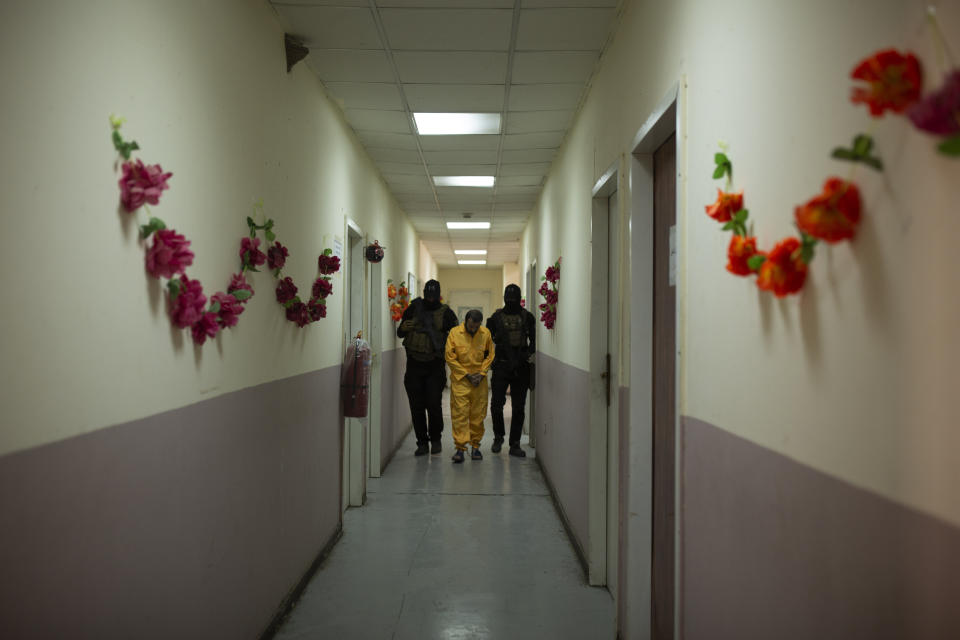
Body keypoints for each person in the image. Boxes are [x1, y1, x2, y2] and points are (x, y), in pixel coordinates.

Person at [397, 279, 458, 456]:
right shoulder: (414, 308)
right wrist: (403, 328)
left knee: (433, 405)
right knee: (416, 406)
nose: (430, 299)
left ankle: (436, 439)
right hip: (414, 364)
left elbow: (456, 337)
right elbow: (400, 332)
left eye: (433, 296)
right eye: (428, 295)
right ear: (424, 293)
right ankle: (422, 443)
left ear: (438, 295)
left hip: (435, 365)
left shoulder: (446, 313)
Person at [486, 284, 536, 457]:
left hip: (520, 367)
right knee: (496, 406)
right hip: (501, 365)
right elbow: (487, 341)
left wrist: (525, 356)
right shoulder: (495, 318)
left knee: (519, 407)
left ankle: (515, 443)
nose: (511, 301)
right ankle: (498, 437)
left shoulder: (528, 317)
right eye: (509, 298)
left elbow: (533, 344)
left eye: (514, 298)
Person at [445, 309, 495, 463]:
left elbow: (490, 355)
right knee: (460, 415)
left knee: (478, 415)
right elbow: (449, 357)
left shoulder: (485, 333)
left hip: (479, 381)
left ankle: (475, 447)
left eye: (476, 326)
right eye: (471, 325)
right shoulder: (454, 333)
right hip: (461, 380)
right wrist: (466, 374)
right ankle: (460, 449)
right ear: (466, 321)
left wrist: (481, 373)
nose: (473, 329)